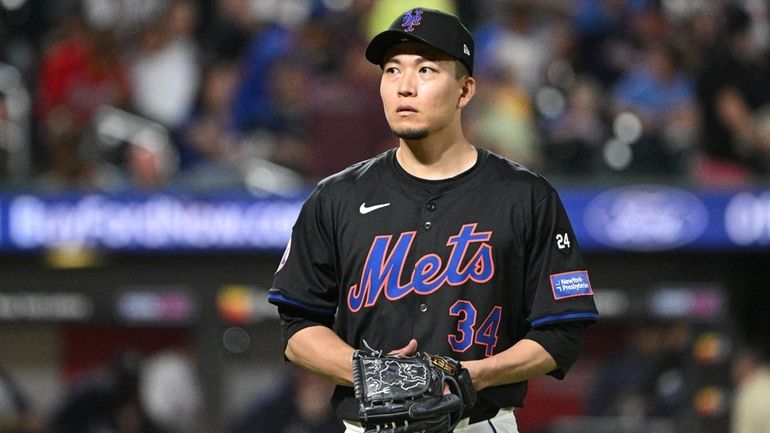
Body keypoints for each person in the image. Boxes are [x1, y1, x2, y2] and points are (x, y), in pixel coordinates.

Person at [268, 7, 598, 433]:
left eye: (425, 70)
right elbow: (298, 327)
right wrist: (371, 373)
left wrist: (471, 376)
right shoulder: (336, 198)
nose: (405, 86)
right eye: (391, 70)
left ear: (465, 90)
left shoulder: (526, 197)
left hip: (478, 425)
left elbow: (563, 331)